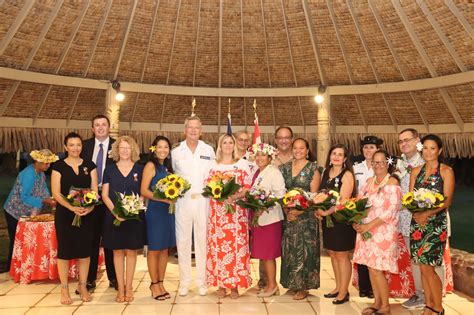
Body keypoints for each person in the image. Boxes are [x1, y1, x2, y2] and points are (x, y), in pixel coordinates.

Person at [409, 134, 454, 315]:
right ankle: (429, 305)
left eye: (432, 148)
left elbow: (447, 201)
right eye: (425, 148)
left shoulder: (446, 171)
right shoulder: (415, 171)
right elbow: (410, 199)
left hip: (435, 224)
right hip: (417, 225)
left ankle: (438, 307)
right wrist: (416, 213)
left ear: (439, 150)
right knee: (422, 267)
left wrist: (426, 213)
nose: (428, 152)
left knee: (429, 267)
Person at [353, 150, 402, 314]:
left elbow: (391, 211)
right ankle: (377, 303)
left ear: (388, 163)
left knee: (377, 269)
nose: (378, 165)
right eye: (375, 162)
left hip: (383, 232)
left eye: (381, 162)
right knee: (370, 267)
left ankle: (385, 307)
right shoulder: (368, 182)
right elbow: (359, 204)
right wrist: (357, 221)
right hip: (366, 232)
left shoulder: (392, 183)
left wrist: (369, 225)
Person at [51, 132, 98, 304]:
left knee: (85, 252)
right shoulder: (58, 166)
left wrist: (90, 206)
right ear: (65, 147)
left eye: (78, 144)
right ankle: (64, 290)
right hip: (65, 215)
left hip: (86, 215)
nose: (75, 148)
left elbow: (94, 190)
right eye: (71, 145)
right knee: (65, 252)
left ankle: (83, 286)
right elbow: (56, 193)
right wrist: (72, 207)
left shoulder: (90, 165)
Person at [171, 116, 215, 296]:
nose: (193, 130)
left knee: (202, 241)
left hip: (204, 201)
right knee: (182, 242)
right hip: (183, 201)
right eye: (190, 127)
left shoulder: (209, 150)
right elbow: (173, 174)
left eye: (197, 128)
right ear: (185, 130)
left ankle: (202, 282)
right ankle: (184, 282)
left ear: (201, 130)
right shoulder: (176, 152)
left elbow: (213, 175)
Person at [206, 134, 252, 299]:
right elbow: (207, 185)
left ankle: (235, 286)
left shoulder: (242, 164)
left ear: (234, 145)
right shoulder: (212, 165)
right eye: (224, 142)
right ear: (219, 145)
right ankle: (220, 284)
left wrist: (233, 197)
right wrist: (218, 195)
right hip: (217, 213)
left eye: (230, 142)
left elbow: (247, 187)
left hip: (236, 212)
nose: (227, 145)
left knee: (236, 247)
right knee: (218, 246)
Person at [101, 136, 145, 303]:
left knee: (131, 251)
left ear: (132, 150)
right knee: (118, 251)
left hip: (134, 217)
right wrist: (116, 212)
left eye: (128, 148)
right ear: (117, 150)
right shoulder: (109, 170)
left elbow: (142, 193)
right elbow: (104, 194)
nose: (125, 151)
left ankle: (130, 287)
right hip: (114, 217)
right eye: (122, 148)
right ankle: (120, 288)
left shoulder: (140, 169)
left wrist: (132, 209)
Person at [3, 149, 58, 272]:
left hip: (26, 213)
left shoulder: (41, 174)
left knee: (26, 241)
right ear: (37, 161)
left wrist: (51, 200)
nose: (48, 165)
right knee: (16, 242)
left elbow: (44, 192)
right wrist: (44, 201)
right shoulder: (28, 174)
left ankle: (25, 268)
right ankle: (11, 270)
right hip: (14, 212)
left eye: (49, 163)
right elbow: (24, 197)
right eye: (46, 163)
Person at [279, 138, 321, 300]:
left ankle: (304, 286)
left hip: (306, 217)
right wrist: (287, 209)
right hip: (288, 216)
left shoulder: (313, 168)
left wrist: (297, 211)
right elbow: (280, 192)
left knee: (305, 251)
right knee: (290, 249)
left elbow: (313, 196)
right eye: (295, 148)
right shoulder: (284, 168)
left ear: (307, 150)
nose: (297, 151)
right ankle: (292, 283)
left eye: (301, 148)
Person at [315, 144, 356, 304]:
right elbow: (320, 194)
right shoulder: (326, 172)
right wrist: (318, 208)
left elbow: (343, 201)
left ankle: (344, 292)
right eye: (334, 153)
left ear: (345, 159)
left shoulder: (347, 175)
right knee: (332, 253)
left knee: (342, 256)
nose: (336, 157)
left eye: (340, 154)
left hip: (342, 221)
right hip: (328, 220)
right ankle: (338, 287)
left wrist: (326, 212)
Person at [81, 114, 117, 291]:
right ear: (92, 128)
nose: (101, 128)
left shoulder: (118, 146)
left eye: (104, 125)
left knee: (110, 239)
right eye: (97, 125)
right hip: (90, 198)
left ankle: (114, 278)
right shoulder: (85, 146)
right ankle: (89, 279)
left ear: (109, 127)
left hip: (110, 198)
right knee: (91, 239)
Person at [141, 136, 176, 301]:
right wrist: (164, 199)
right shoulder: (150, 166)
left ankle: (161, 282)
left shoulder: (167, 168)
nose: (163, 150)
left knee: (164, 249)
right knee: (155, 249)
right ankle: (154, 284)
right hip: (155, 211)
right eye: (160, 147)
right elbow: (144, 190)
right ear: (154, 149)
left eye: (166, 147)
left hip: (168, 212)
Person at [247, 143, 285, 298]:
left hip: (270, 219)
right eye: (258, 155)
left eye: (263, 155)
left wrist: (265, 204)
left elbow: (281, 193)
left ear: (270, 157)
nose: (260, 158)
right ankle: (270, 284)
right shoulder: (258, 172)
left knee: (268, 255)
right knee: (263, 255)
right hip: (259, 219)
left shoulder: (273, 172)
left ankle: (272, 285)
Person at [353, 136, 383, 299]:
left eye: (371, 147)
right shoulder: (356, 167)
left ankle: (376, 289)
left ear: (378, 149)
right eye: (365, 147)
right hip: (360, 214)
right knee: (363, 252)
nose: (368, 150)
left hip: (378, 217)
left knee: (376, 254)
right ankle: (364, 287)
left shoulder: (385, 168)